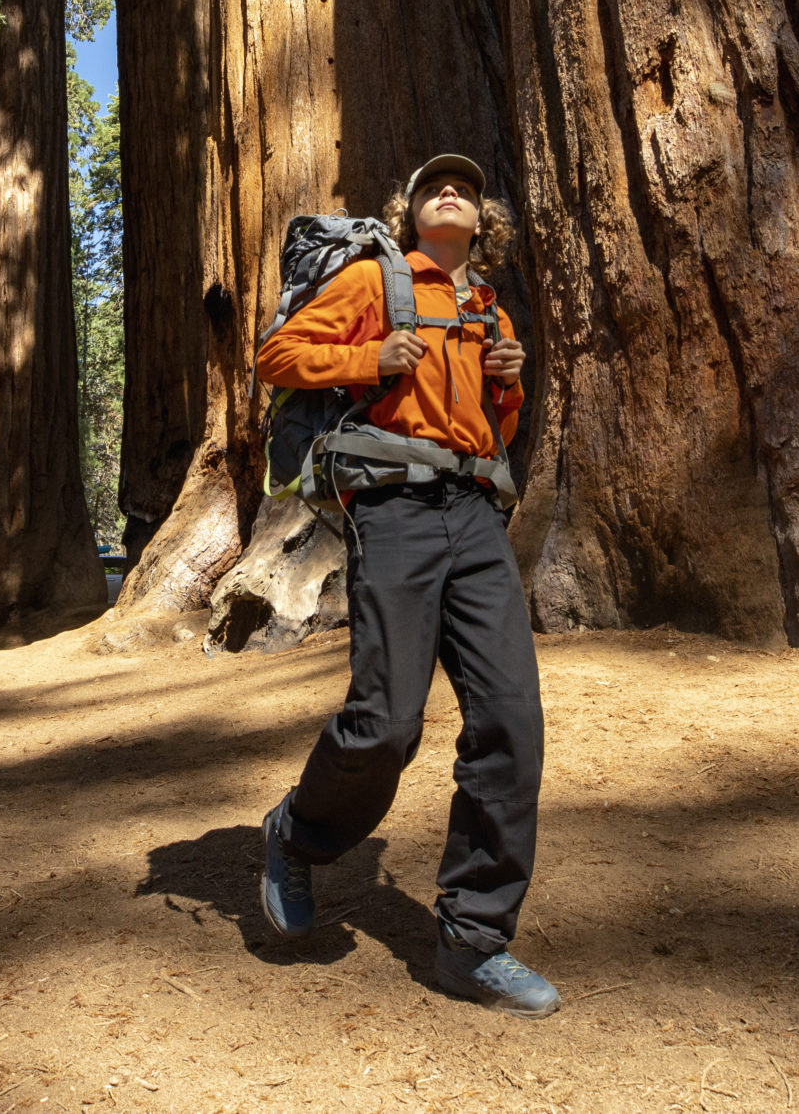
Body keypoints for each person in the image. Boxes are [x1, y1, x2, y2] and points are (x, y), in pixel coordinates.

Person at [254, 154, 558, 1018]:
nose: (450, 191)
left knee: (510, 720)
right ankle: (297, 832)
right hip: (391, 509)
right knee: (387, 721)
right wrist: (368, 353)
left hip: (474, 514)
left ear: (481, 216)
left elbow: (494, 429)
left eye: (464, 185)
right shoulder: (374, 280)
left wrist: (509, 383)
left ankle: (475, 938)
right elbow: (278, 355)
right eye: (434, 186)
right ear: (413, 211)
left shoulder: (487, 304)